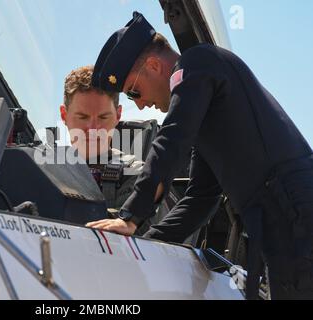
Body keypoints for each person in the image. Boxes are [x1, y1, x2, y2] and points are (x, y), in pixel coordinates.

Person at [87, 12, 313, 299]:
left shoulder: (197, 64)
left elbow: (172, 137)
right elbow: (200, 200)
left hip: (296, 218)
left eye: (133, 93)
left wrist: (130, 216)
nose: (141, 106)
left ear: (154, 65)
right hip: (284, 224)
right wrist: (146, 243)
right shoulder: (208, 108)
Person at [61, 65, 165, 234]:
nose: (93, 128)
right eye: (83, 117)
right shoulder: (44, 170)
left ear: (118, 115)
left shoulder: (138, 177)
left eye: (103, 117)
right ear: (64, 115)